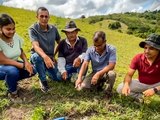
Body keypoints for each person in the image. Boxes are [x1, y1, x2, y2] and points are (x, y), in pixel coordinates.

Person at [0, 14, 36, 102]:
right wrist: (21, 65)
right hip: (2, 66)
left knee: (33, 70)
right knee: (13, 71)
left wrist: (26, 62)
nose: (12, 31)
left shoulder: (15, 37)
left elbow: (20, 51)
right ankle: (13, 93)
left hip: (13, 64)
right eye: (8, 29)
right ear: (0, 28)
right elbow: (2, 60)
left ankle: (10, 82)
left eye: (13, 28)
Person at [117, 33, 160, 103]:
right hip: (141, 83)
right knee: (120, 88)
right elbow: (129, 75)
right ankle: (141, 98)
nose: (146, 51)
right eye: (145, 48)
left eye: (151, 48)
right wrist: (126, 84)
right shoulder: (138, 58)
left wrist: (154, 89)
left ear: (158, 50)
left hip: (157, 84)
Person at [75, 31, 116, 98]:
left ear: (105, 42)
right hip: (94, 73)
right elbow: (85, 64)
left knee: (112, 74)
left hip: (106, 72)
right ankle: (98, 85)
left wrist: (98, 74)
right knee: (83, 87)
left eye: (99, 45)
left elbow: (112, 65)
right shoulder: (90, 50)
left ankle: (107, 92)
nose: (96, 48)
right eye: (95, 45)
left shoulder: (112, 49)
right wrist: (79, 78)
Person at [29, 7, 61, 92]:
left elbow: (60, 43)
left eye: (46, 16)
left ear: (49, 17)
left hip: (50, 58)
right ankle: (43, 81)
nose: (44, 18)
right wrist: (45, 57)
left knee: (58, 78)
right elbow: (35, 46)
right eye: (41, 16)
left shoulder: (54, 29)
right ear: (37, 17)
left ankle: (43, 69)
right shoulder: (33, 29)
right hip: (39, 56)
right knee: (37, 57)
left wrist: (54, 55)